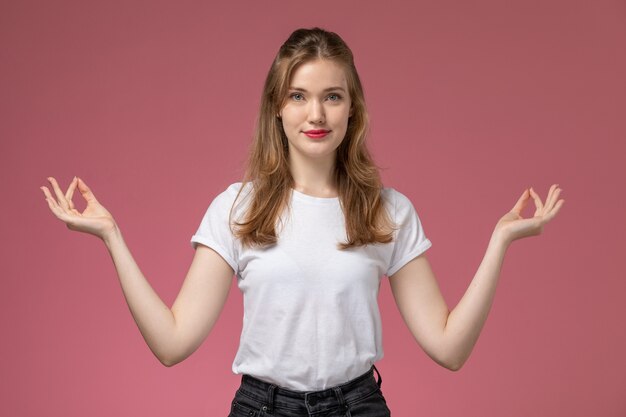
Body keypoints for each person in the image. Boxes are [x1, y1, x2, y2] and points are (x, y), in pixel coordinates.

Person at [40, 27, 564, 417]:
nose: (316, 114)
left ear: (352, 109)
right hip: (261, 409)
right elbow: (172, 343)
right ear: (277, 107)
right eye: (298, 96)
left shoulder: (387, 211)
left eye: (332, 97)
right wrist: (111, 236)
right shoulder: (236, 208)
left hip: (358, 406)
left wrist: (501, 241)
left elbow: (449, 348)